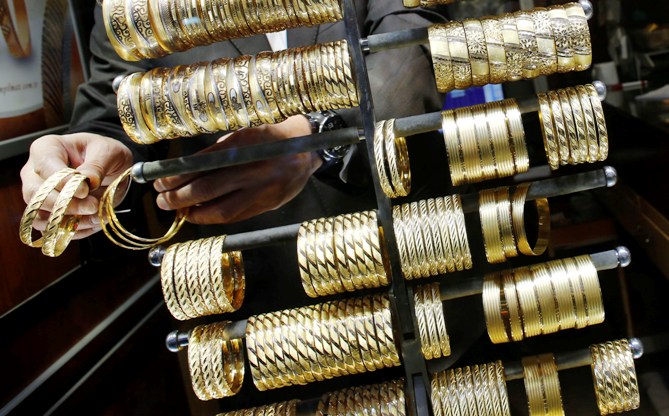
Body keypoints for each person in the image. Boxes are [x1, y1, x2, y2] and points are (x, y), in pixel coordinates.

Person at [20, 0, 446, 410]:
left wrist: (317, 138)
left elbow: (410, 51)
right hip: (272, 322)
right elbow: (115, 107)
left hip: (417, 275)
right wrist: (92, 160)